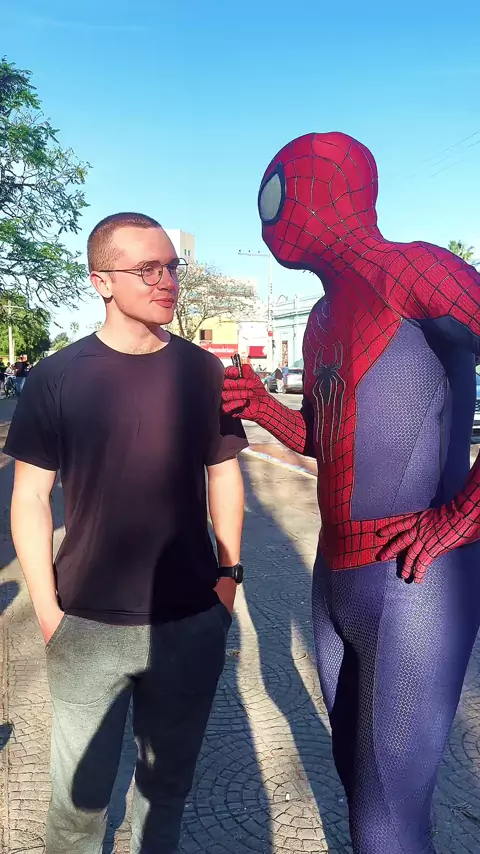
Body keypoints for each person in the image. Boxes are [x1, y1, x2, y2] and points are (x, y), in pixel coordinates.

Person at [222, 132, 480, 854]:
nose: (271, 217)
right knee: (362, 784)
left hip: (414, 579)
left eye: (281, 192)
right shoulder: (321, 318)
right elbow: (324, 436)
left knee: (384, 820)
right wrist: (260, 407)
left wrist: (461, 518)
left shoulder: (415, 271)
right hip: (335, 577)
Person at [5, 211, 247, 854]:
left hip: (189, 620)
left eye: (171, 266)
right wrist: (49, 613)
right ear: (102, 282)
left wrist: (228, 581)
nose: (166, 280)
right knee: (76, 808)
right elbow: (29, 496)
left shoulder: (203, 372)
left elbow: (224, 473)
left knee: (166, 795)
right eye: (147, 268)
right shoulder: (56, 377)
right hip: (85, 624)